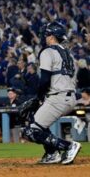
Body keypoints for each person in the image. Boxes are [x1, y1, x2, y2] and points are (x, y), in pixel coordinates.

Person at [21, 22, 81, 164]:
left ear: (52, 37)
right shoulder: (69, 54)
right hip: (69, 96)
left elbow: (45, 79)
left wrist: (38, 98)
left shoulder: (48, 51)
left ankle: (69, 146)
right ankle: (52, 153)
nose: (44, 37)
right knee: (38, 123)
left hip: (58, 97)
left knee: (31, 131)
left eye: (46, 34)